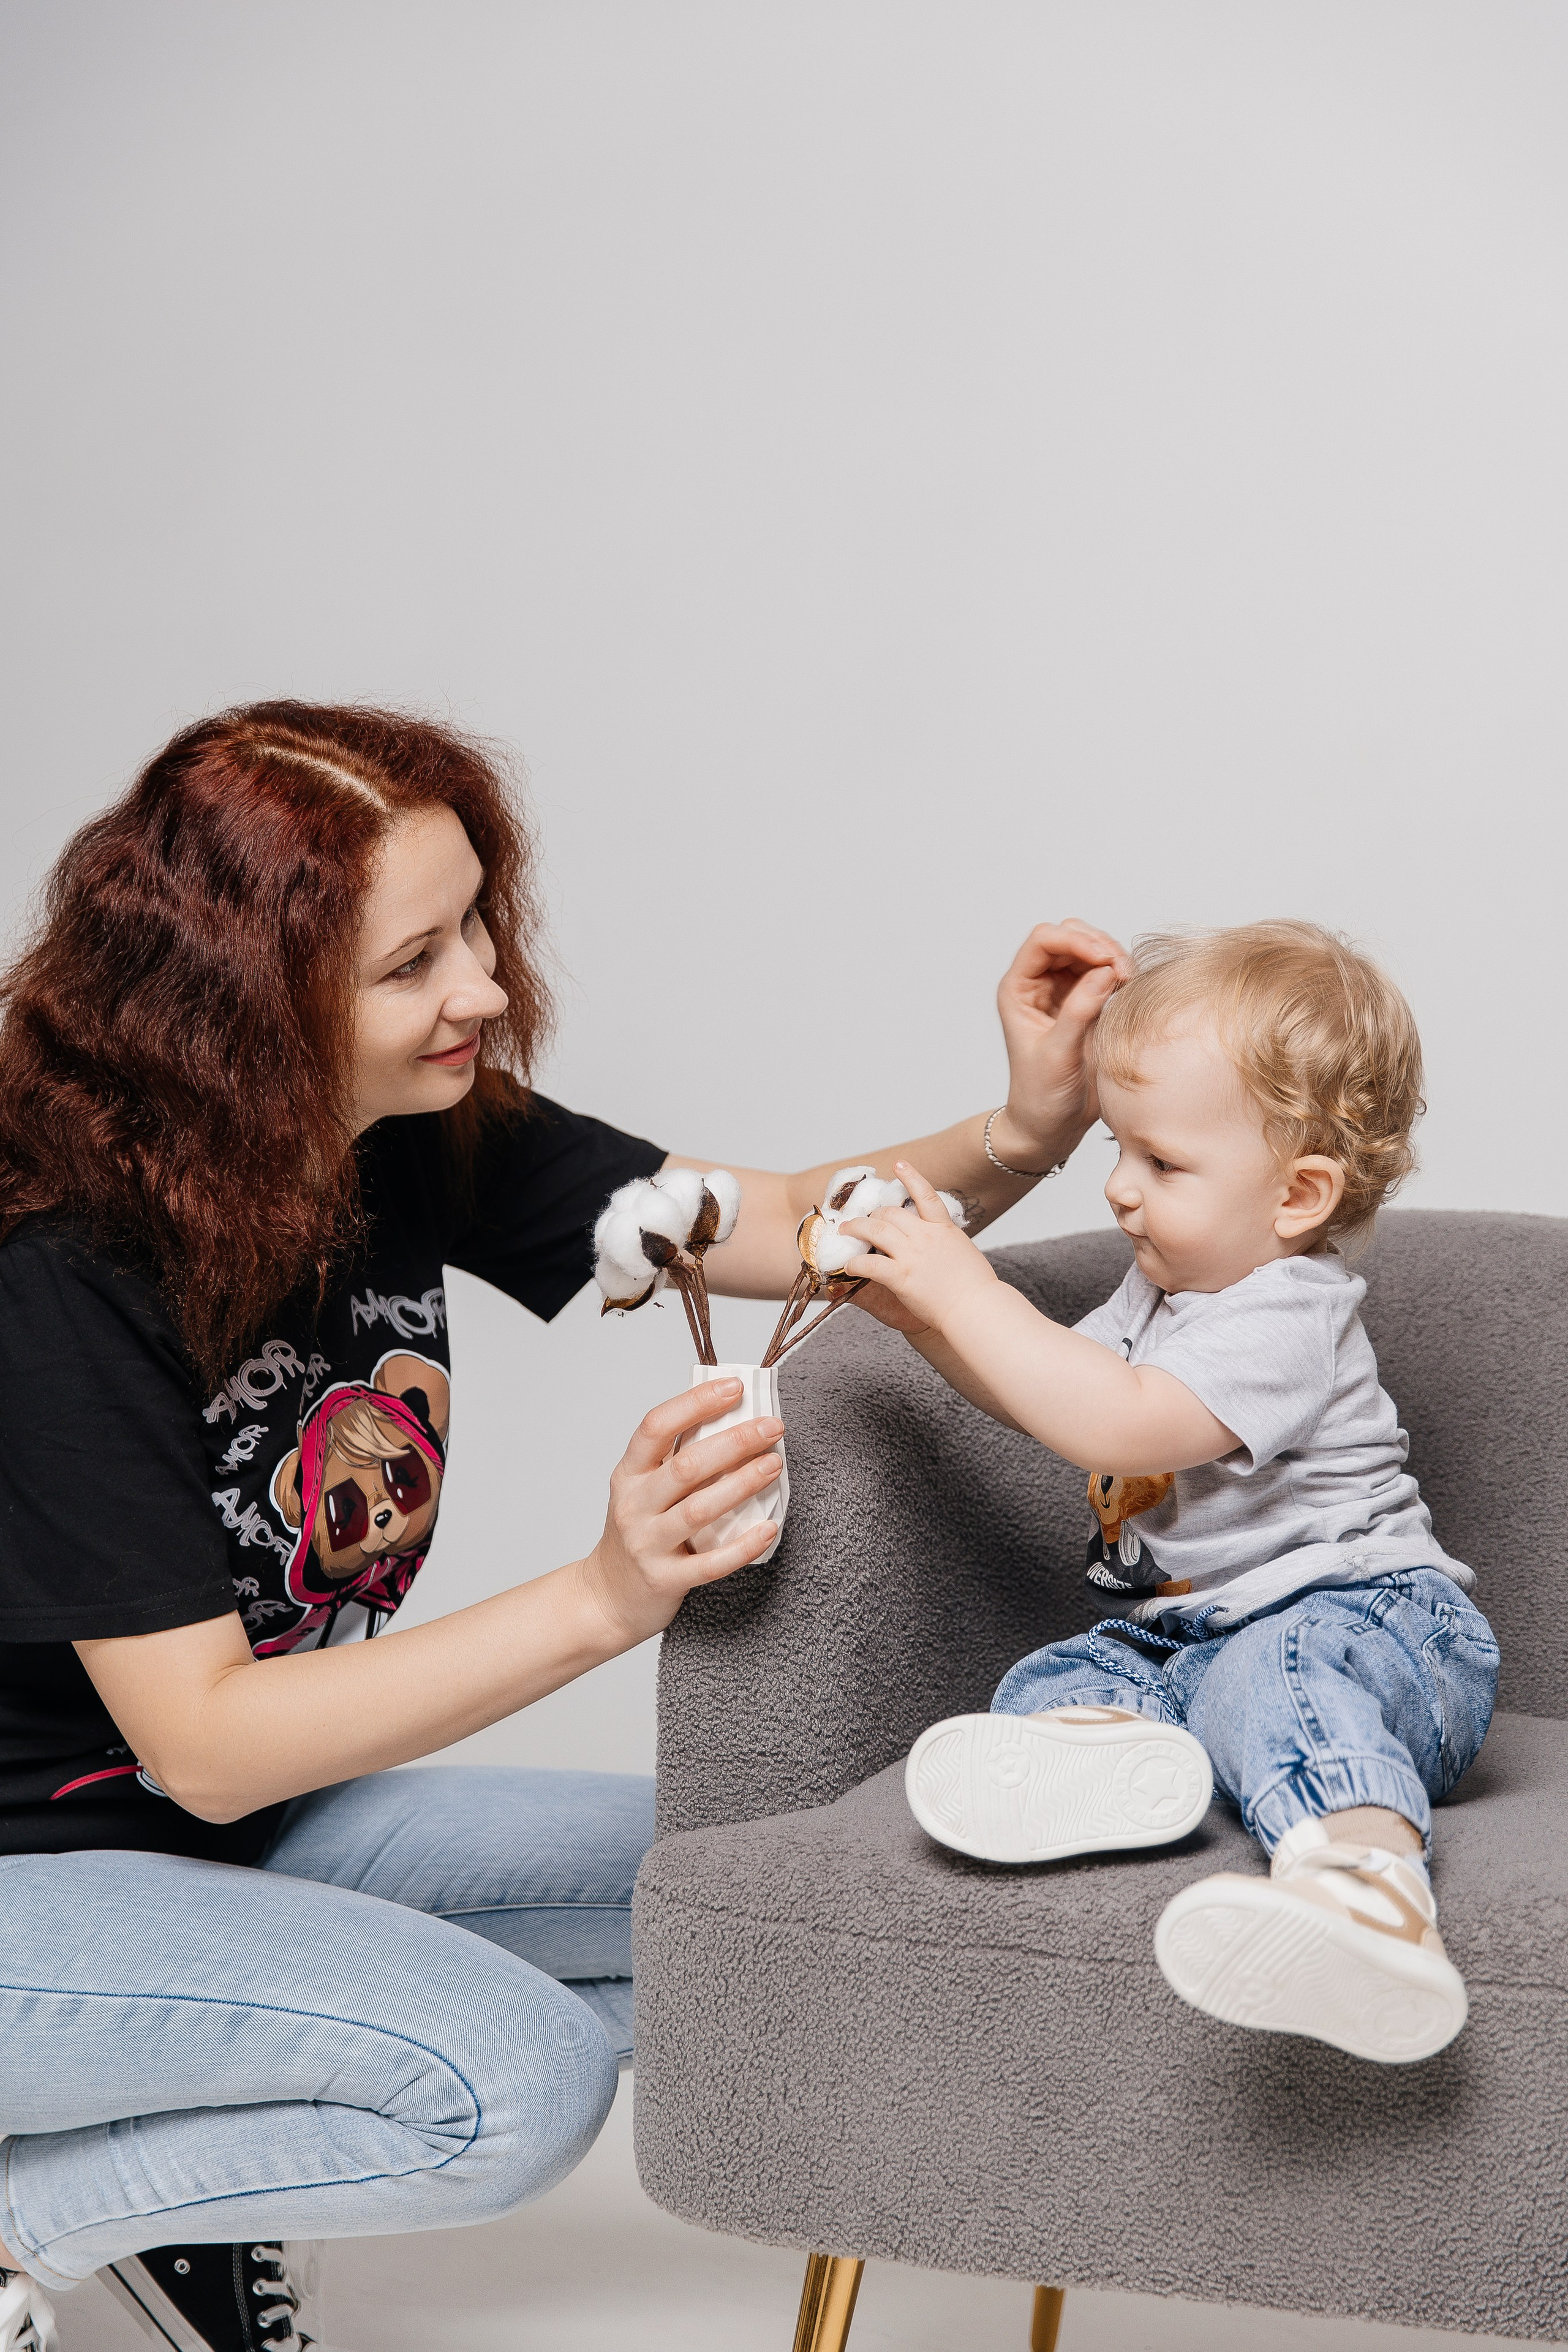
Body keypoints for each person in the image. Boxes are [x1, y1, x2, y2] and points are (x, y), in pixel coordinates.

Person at [0, 701, 1127, 2352]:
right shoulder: (53, 1264)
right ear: (244, 1000)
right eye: (413, 962)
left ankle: (193, 2183)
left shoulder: (389, 1135)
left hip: (217, 1840)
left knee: (745, 1902)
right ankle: (36, 2221)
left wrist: (1028, 1125)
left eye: (473, 924)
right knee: (511, 2083)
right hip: (51, 1869)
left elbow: (789, 1227)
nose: (481, 988)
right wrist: (610, 1595)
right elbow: (213, 1747)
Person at [843, 922, 1499, 2068]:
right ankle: (1120, 1774)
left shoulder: (1290, 1311)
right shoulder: (1163, 1295)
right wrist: (936, 1323)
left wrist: (969, 1285)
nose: (1117, 1190)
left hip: (1373, 1628)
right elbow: (1056, 1400)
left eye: (1162, 1163)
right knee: (1069, 1672)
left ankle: (1368, 1894)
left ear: (1299, 1195)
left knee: (1271, 1675)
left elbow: (1119, 1419)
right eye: (1116, 1147)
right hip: (1193, 1637)